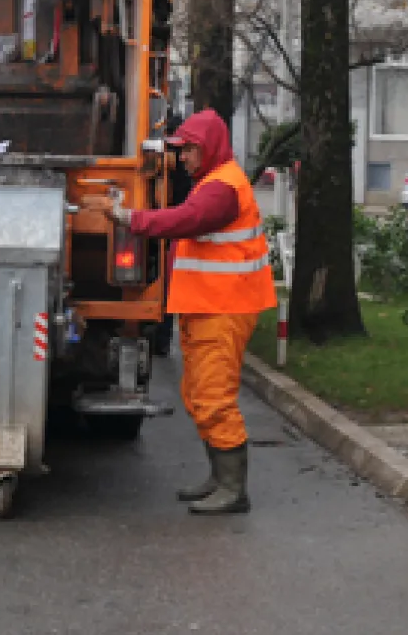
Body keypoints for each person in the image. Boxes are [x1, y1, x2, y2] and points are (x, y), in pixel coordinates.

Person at [103, 109, 277, 515]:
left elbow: (186, 220)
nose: (182, 158)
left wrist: (130, 218)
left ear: (209, 147)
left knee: (214, 396)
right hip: (209, 304)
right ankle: (219, 479)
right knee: (198, 394)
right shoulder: (214, 183)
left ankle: (233, 489)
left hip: (224, 305)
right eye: (180, 151)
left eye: (188, 150)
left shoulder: (222, 189)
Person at [153, 111, 192, 358]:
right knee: (166, 286)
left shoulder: (171, 158)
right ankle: (162, 339)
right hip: (173, 229)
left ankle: (162, 336)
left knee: (165, 283)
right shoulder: (185, 163)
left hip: (167, 226)